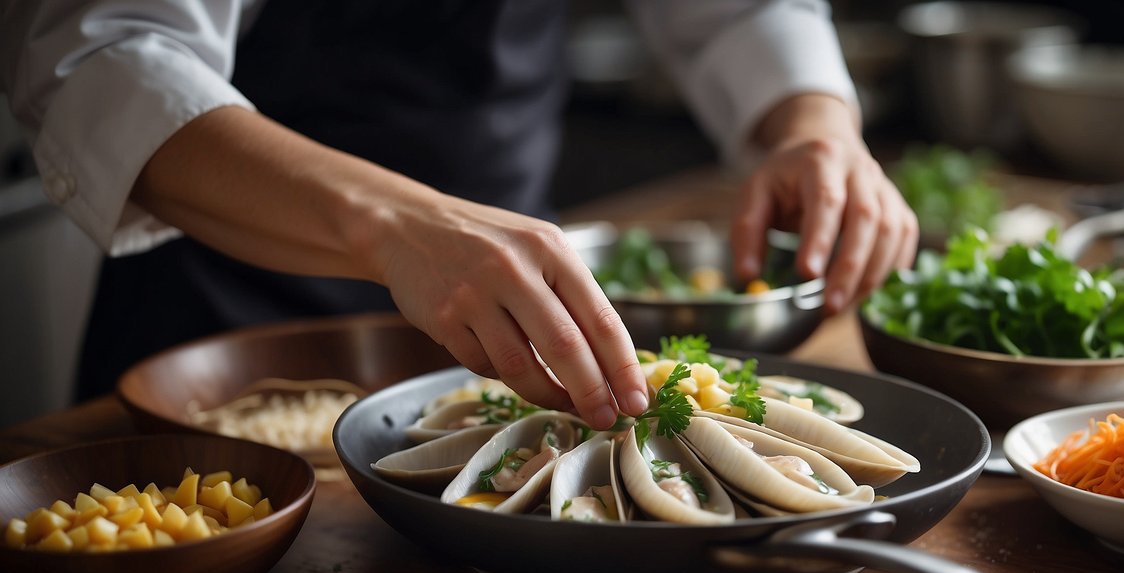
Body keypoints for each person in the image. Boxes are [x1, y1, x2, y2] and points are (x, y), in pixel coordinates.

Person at [0, 0, 918, 431]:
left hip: (512, 326)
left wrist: (813, 119)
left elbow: (728, 13)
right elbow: (108, 57)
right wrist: (397, 225)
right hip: (217, 331)